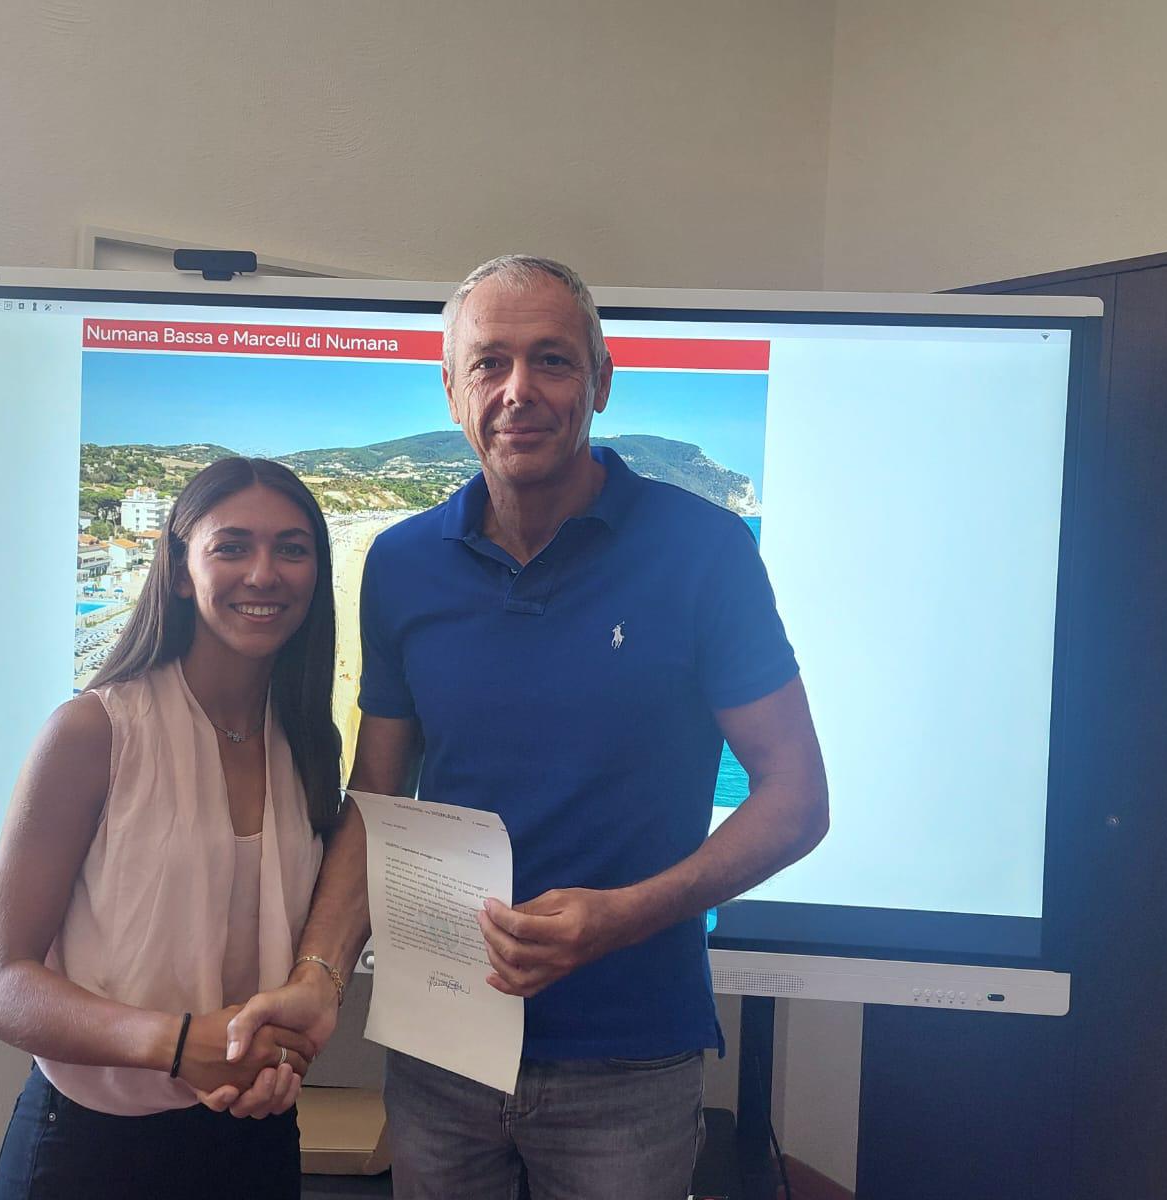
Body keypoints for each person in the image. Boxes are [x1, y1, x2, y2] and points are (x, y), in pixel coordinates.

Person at [226, 255, 829, 1199]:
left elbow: (796, 800)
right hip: (442, 1044)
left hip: (630, 1056)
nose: (519, 390)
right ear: (452, 388)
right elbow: (378, 797)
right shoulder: (401, 563)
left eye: (552, 359)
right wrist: (319, 973)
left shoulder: (706, 550)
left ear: (601, 380)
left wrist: (624, 915)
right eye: (489, 362)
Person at [0, 457, 348, 1199]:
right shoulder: (94, 731)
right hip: (89, 1150)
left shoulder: (309, 742)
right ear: (178, 571)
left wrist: (273, 1059)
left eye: (292, 549)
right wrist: (178, 1045)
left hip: (256, 1136)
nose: (264, 573)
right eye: (231, 546)